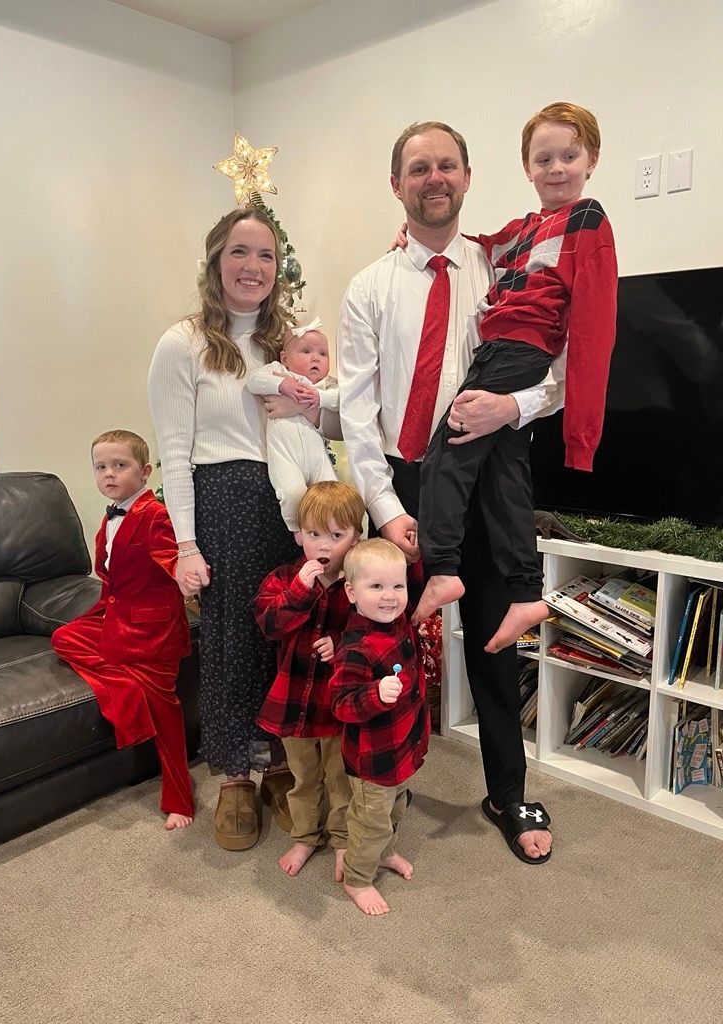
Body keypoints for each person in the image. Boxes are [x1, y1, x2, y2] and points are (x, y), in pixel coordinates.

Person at [337, 120, 562, 864]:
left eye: (446, 166)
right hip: (406, 484)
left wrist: (513, 407)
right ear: (396, 184)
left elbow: (556, 377)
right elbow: (357, 411)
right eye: (417, 168)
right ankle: (379, 783)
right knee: (387, 645)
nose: (433, 178)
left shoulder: (508, 269)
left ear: (467, 177)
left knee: (497, 644)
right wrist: (390, 510)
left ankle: (508, 788)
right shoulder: (368, 287)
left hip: (489, 483)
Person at [413, 102, 618, 649]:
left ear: (591, 159)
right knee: (504, 474)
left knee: (446, 455)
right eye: (543, 158)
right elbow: (478, 245)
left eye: (568, 156)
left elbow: (596, 328)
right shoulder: (525, 229)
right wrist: (404, 239)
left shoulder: (589, 218)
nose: (556, 168)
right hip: (499, 346)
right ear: (526, 167)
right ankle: (528, 594)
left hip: (520, 350)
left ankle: (441, 570)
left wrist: (581, 436)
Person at [148, 207, 302, 852]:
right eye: (239, 253)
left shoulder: (288, 342)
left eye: (264, 256)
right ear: (216, 262)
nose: (252, 268)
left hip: (289, 498)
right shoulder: (182, 343)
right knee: (232, 640)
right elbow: (174, 452)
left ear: (278, 268)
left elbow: (318, 422)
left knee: (287, 632)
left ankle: (282, 765)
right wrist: (185, 544)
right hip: (221, 498)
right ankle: (235, 777)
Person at [51, 429, 195, 830]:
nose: (109, 475)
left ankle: (180, 798)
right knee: (64, 637)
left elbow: (173, 557)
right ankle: (126, 689)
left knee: (167, 715)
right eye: (101, 467)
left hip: (152, 632)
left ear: (145, 471)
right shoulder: (111, 513)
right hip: (115, 617)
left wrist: (186, 575)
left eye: (120, 465)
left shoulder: (155, 515)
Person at [254, 480, 364, 878]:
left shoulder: (359, 584)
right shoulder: (285, 578)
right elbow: (268, 623)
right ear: (299, 535)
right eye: (314, 534)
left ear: (356, 538)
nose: (324, 545)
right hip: (292, 699)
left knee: (340, 778)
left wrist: (341, 645)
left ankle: (340, 839)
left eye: (337, 535)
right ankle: (305, 835)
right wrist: (301, 590)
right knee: (302, 778)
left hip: (336, 704)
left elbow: (377, 633)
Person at [330, 539, 429, 916]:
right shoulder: (356, 648)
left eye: (397, 586)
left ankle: (386, 853)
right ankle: (356, 879)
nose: (389, 596)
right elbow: (341, 704)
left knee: (396, 810)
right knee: (370, 822)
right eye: (377, 587)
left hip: (401, 748)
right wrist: (374, 694)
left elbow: (415, 578)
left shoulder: (397, 621)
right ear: (352, 593)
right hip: (372, 762)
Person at [246, 317, 339, 532]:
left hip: (318, 457)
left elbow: (344, 399)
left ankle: (331, 535)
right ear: (284, 358)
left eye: (322, 353)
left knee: (331, 493)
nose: (315, 358)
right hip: (285, 454)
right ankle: (298, 531)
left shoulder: (325, 385)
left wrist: (319, 398)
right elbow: (254, 381)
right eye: (306, 351)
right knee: (292, 493)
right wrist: (282, 385)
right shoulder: (278, 371)